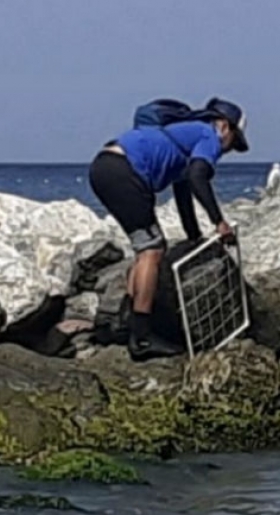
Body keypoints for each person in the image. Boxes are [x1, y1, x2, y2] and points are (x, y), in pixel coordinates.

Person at [88, 97, 249, 361]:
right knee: (152, 250)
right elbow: (199, 177)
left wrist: (195, 238)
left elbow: (184, 195)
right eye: (234, 142)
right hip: (125, 171)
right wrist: (219, 223)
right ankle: (141, 338)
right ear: (224, 126)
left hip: (105, 166)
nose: (227, 151)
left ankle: (128, 324)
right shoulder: (208, 135)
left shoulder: (185, 138)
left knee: (145, 248)